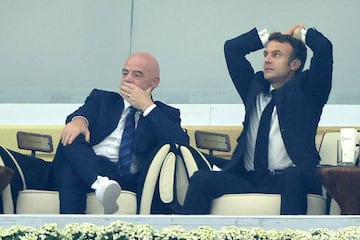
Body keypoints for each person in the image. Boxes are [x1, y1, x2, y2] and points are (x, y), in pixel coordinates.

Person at [180, 24, 333, 215]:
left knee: (293, 176)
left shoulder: (309, 93)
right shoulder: (254, 88)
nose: (267, 60)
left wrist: (300, 35)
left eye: (276, 55)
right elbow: (232, 49)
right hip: (249, 178)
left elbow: (324, 48)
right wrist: (267, 37)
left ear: (295, 64)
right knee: (201, 179)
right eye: (266, 54)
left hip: (290, 179)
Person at [52, 52, 189, 214]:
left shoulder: (164, 113)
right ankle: (98, 183)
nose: (128, 79)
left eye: (136, 75)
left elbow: (180, 142)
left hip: (124, 177)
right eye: (125, 73)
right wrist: (79, 121)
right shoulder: (102, 99)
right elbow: (82, 114)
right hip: (90, 164)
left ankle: (72, 230)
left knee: (71, 169)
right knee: (72, 138)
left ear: (154, 82)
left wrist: (147, 106)